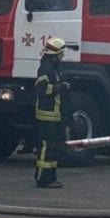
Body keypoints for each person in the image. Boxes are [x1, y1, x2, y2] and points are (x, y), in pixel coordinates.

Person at [34, 36, 70, 189]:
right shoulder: (46, 68)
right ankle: (42, 178)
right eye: (61, 53)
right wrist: (58, 88)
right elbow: (41, 89)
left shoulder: (57, 68)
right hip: (46, 115)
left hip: (56, 115)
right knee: (46, 148)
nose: (62, 56)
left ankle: (52, 177)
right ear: (55, 54)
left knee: (53, 148)